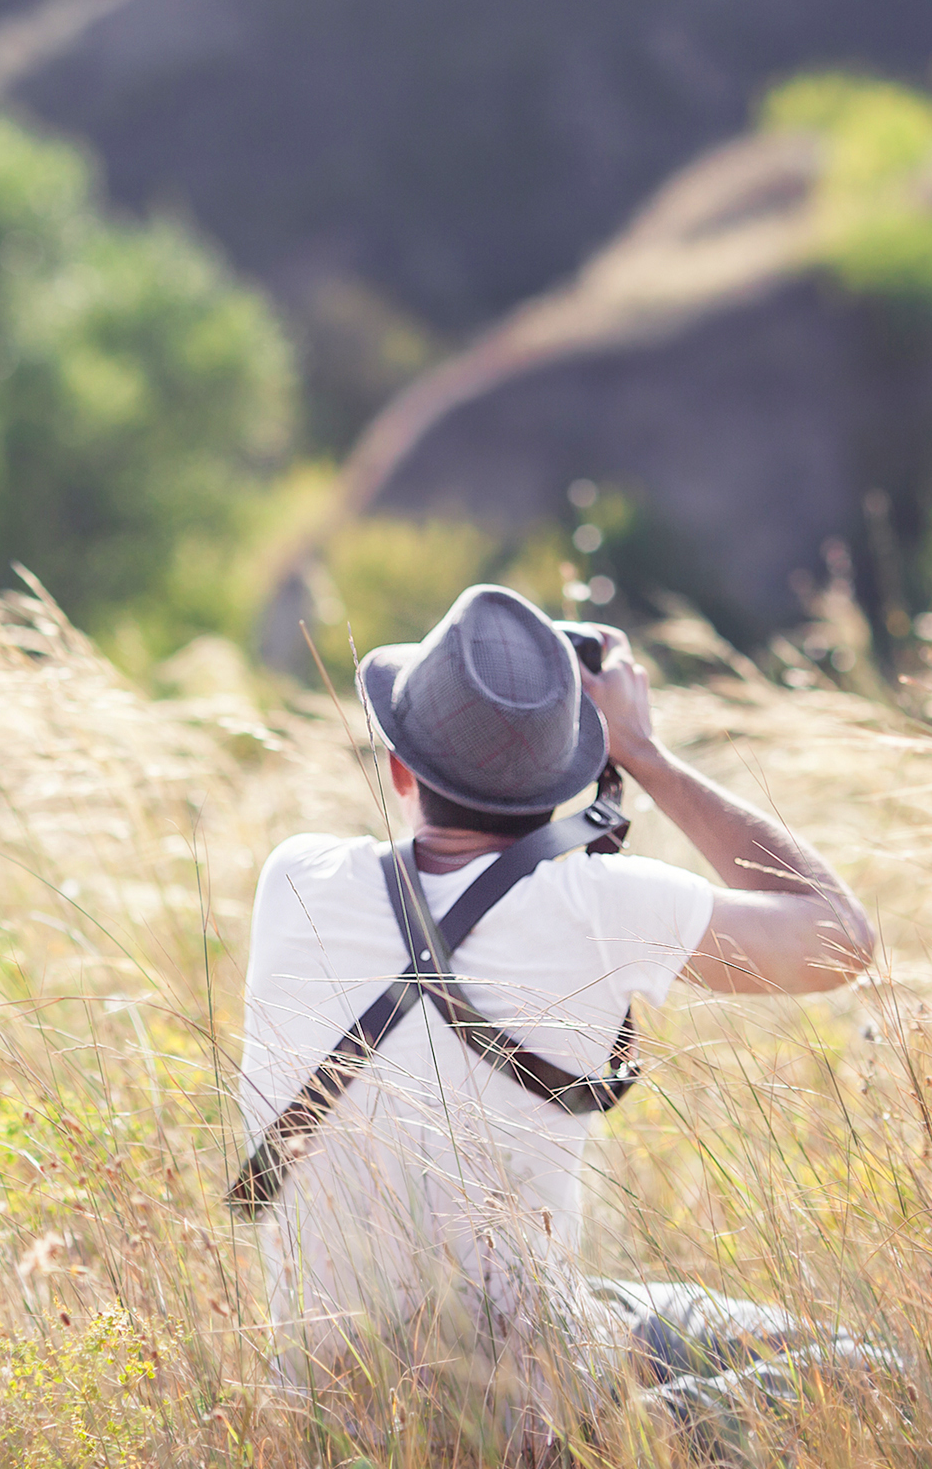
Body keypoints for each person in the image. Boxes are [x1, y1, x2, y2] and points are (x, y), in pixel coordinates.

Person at [235, 583, 887, 1458]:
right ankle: (632, 1438)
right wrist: (646, 754)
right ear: (572, 777)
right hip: (527, 1414)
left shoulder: (295, 877)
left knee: (611, 1308)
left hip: (326, 1407)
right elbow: (841, 939)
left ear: (399, 768)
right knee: (872, 1372)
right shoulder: (602, 905)